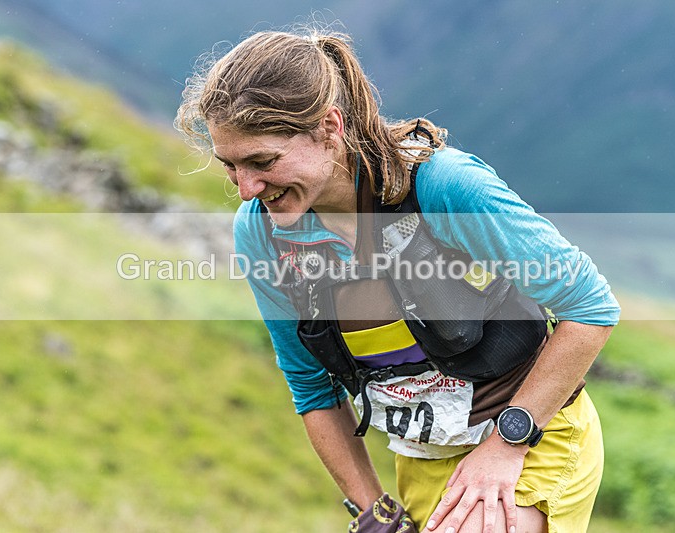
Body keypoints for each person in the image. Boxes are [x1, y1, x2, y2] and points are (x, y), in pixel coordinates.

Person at [176, 27, 620, 533]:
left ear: (329, 127)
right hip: (421, 460)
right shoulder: (262, 233)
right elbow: (311, 387)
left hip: (529, 436)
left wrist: (505, 445)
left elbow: (590, 308)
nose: (248, 190)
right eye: (231, 166)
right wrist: (375, 514)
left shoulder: (445, 188)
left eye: (264, 162)